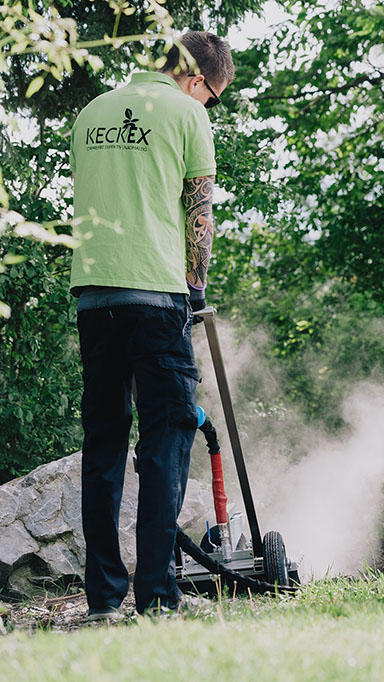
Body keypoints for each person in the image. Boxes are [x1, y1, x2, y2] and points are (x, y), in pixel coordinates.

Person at [69, 31, 234, 619]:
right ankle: (159, 596)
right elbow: (199, 211)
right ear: (197, 81)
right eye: (211, 95)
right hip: (157, 294)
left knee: (105, 443)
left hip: (93, 297)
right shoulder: (188, 115)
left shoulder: (91, 113)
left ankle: (103, 600)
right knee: (166, 439)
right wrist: (196, 289)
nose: (208, 105)